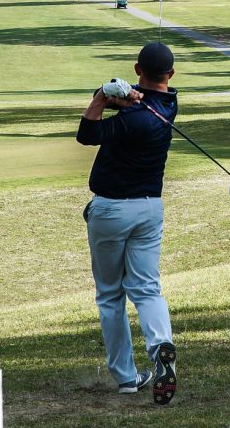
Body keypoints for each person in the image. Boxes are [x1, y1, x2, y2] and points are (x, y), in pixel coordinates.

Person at [75, 41, 179, 405]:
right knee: (147, 288)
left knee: (110, 295)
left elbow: (87, 134)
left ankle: (126, 377)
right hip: (150, 210)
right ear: (171, 74)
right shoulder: (168, 105)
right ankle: (160, 344)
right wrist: (119, 95)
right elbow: (140, 103)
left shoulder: (132, 120)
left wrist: (104, 96)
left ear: (138, 69)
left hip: (110, 211)